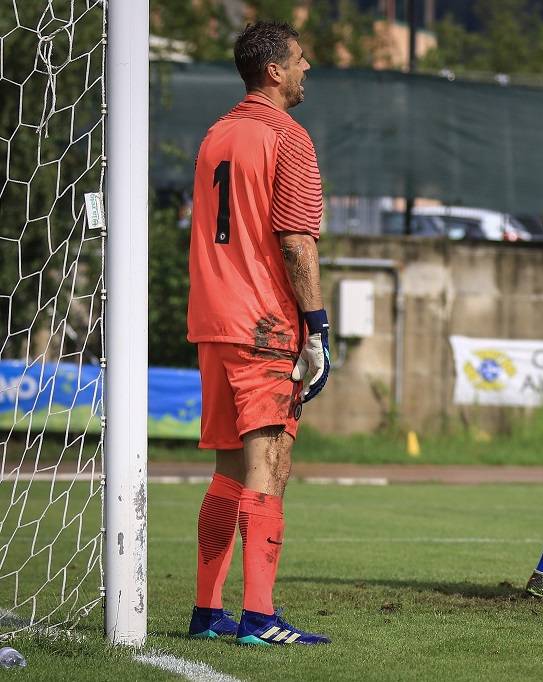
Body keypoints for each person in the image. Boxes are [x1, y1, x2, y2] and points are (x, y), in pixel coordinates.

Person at [185, 21, 332, 645]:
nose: (306, 69)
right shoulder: (288, 138)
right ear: (274, 70)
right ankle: (261, 617)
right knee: (268, 465)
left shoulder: (217, 133)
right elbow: (297, 242)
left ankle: (206, 610)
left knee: (227, 469)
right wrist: (318, 328)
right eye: (300, 60)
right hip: (264, 324)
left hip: (212, 322)